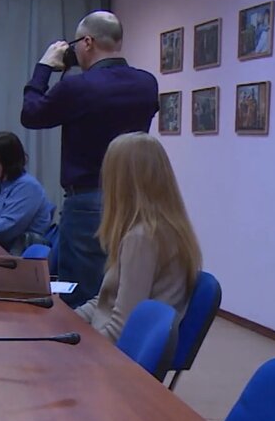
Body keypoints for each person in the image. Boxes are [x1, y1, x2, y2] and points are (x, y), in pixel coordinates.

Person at [22, 10, 159, 308]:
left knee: (83, 292)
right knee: (124, 286)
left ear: (87, 42)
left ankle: (82, 339)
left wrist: (44, 68)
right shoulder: (147, 83)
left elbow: (31, 114)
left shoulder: (77, 87)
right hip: (136, 199)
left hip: (88, 201)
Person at [76, 133, 202, 341]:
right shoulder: (160, 229)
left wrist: (76, 347)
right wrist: (65, 321)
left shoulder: (142, 239)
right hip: (105, 342)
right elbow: (106, 301)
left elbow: (121, 330)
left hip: (113, 353)